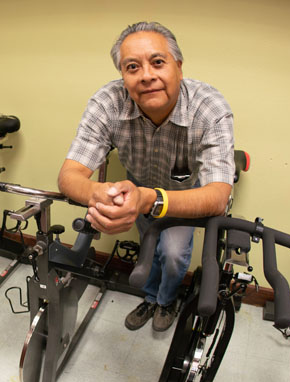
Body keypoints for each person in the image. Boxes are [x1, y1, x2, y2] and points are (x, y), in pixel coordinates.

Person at [57, 21, 235, 332]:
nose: (147, 76)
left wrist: (148, 199)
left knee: (174, 254)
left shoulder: (209, 106)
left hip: (183, 193)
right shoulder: (107, 102)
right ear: (123, 78)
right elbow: (69, 176)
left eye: (157, 62)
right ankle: (151, 297)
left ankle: (167, 301)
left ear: (178, 67)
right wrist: (97, 194)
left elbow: (218, 196)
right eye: (132, 67)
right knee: (149, 246)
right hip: (136, 188)